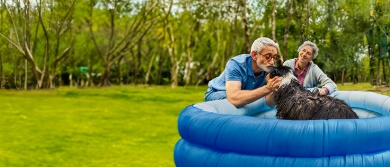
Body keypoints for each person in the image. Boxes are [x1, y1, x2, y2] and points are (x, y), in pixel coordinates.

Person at [204, 37, 281, 107]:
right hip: (218, 92)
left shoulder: (268, 69)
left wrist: (276, 89)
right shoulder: (236, 64)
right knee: (239, 102)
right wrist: (267, 88)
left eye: (274, 57)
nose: (272, 62)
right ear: (254, 55)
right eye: (267, 56)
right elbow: (234, 98)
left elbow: (269, 103)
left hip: (241, 95)